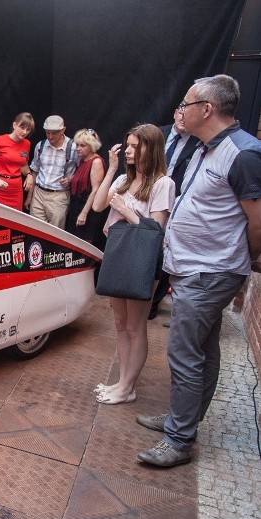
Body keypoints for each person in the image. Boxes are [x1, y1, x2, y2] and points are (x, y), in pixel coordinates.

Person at [136, 75, 261, 467]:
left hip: (209, 273)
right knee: (202, 351)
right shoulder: (209, 148)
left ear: (206, 109)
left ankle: (178, 440)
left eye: (186, 105)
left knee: (184, 354)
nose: (180, 111)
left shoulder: (243, 154)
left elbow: (257, 224)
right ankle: (181, 420)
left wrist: (238, 259)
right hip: (196, 268)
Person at [91, 124, 175, 405]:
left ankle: (127, 386)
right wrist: (112, 169)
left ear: (149, 149)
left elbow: (156, 230)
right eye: (126, 145)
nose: (128, 150)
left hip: (141, 259)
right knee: (119, 323)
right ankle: (122, 382)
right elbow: (98, 206)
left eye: (134, 146)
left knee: (136, 326)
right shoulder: (124, 181)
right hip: (118, 254)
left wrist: (127, 211)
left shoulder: (163, 183)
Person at [149, 107, 201, 319]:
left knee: (165, 256)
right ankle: (136, 296)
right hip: (149, 199)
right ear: (174, 113)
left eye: (187, 112)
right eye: (180, 112)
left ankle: (153, 303)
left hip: (176, 206)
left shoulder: (198, 141)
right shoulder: (156, 133)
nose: (182, 117)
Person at [27, 115, 78, 227]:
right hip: (38, 194)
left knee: (55, 235)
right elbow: (35, 170)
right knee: (35, 231)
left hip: (58, 197)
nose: (50, 136)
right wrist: (30, 196)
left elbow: (83, 171)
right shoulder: (41, 145)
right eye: (47, 132)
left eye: (54, 133)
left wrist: (71, 179)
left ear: (63, 130)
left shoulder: (73, 147)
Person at [0, 112, 35, 210]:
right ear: (14, 125)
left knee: (13, 222)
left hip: (16, 190)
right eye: (22, 127)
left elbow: (23, 164)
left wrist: (29, 175)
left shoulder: (27, 144)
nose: (25, 132)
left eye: (28, 129)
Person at [64, 129, 107, 243]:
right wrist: (70, 180)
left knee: (83, 245)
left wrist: (84, 213)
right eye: (77, 145)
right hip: (76, 207)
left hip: (87, 209)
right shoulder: (83, 160)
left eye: (83, 145)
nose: (78, 148)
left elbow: (95, 190)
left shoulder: (96, 161)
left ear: (91, 146)